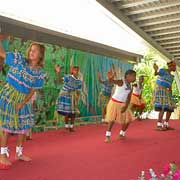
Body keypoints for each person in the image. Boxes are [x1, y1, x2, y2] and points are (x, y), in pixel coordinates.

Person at [0, 34, 46, 169]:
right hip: (9, 96)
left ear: (40, 55)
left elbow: (33, 90)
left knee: (23, 128)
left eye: (35, 50)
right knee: (7, 126)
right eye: (31, 50)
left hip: (24, 100)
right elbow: (2, 53)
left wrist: (24, 102)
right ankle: (2, 155)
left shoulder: (39, 72)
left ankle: (19, 153)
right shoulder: (19, 60)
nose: (31, 52)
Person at [104, 69, 136, 143]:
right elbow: (112, 81)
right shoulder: (121, 82)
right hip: (114, 103)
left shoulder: (130, 86)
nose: (134, 78)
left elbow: (129, 98)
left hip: (123, 104)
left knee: (128, 120)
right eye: (133, 76)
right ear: (128, 76)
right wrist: (110, 78)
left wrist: (126, 106)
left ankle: (122, 133)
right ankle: (107, 136)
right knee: (112, 120)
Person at [55, 65, 82, 132]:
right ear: (72, 71)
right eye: (75, 70)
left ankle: (71, 127)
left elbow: (78, 91)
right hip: (65, 96)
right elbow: (59, 80)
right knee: (66, 112)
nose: (76, 71)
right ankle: (66, 126)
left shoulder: (79, 81)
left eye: (77, 70)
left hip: (72, 98)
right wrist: (58, 72)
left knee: (73, 113)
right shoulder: (68, 77)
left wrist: (76, 99)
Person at [153, 61, 176, 131]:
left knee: (170, 108)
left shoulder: (172, 76)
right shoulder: (163, 71)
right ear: (170, 66)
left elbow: (170, 85)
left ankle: (166, 124)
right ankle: (159, 125)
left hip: (168, 92)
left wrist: (170, 93)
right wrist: (156, 70)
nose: (175, 68)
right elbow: (156, 74)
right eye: (174, 66)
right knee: (162, 107)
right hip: (160, 90)